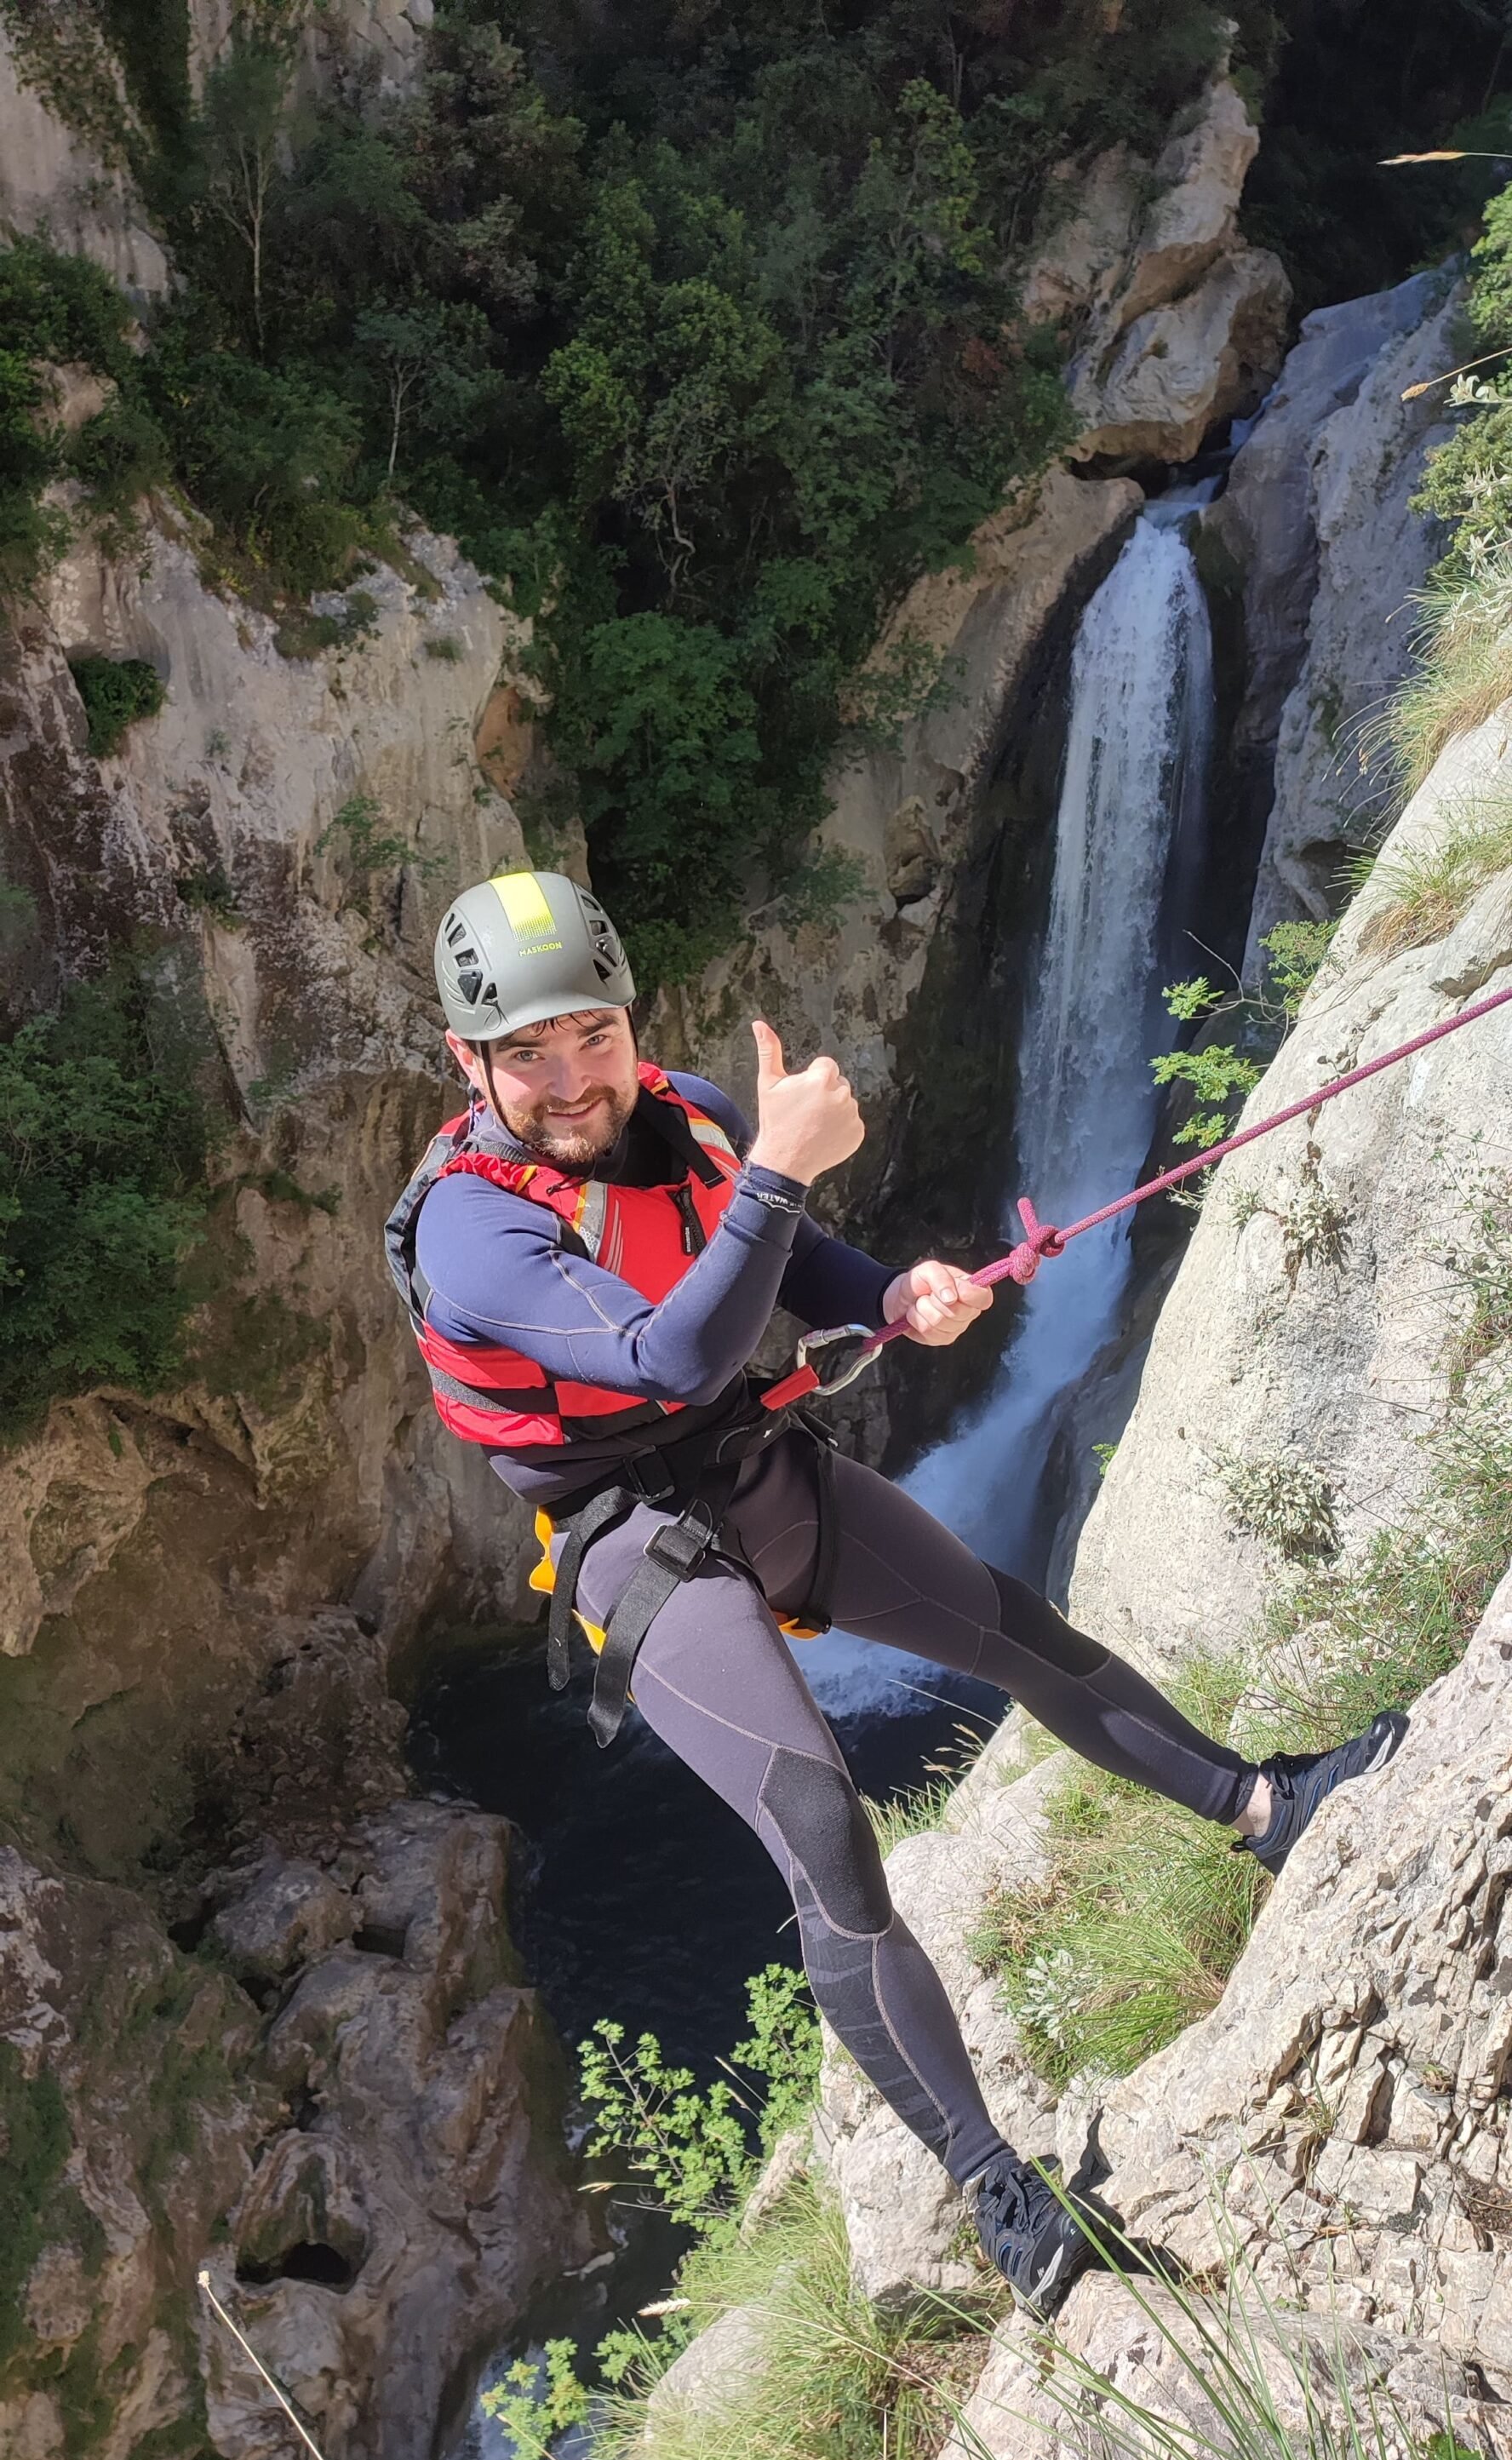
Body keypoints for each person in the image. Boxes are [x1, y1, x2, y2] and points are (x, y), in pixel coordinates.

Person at [386, 871, 1408, 2315]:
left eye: (592, 1035)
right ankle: (995, 2186)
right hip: (630, 1531)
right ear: (468, 1062)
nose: (570, 1080)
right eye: (527, 1053)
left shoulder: (688, 1116)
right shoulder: (471, 1230)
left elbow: (794, 1262)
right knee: (823, 1825)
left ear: (630, 1021)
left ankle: (1264, 1809)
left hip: (750, 1466)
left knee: (1009, 1623)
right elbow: (671, 1355)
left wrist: (892, 1296)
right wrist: (782, 1169)